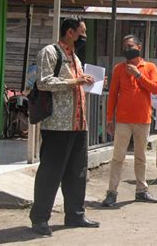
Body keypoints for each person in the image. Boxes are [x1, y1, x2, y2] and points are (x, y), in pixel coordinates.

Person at [29, 16, 99, 236]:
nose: (84, 37)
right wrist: (75, 82)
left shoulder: (75, 58)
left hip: (78, 125)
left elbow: (76, 87)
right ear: (70, 32)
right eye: (82, 32)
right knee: (50, 173)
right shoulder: (50, 52)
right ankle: (40, 219)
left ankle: (75, 215)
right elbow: (43, 82)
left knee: (76, 173)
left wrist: (89, 82)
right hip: (57, 125)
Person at [102, 35, 157, 207]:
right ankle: (112, 192)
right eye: (125, 46)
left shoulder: (150, 67)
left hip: (143, 119)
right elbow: (112, 94)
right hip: (123, 120)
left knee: (140, 157)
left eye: (130, 46)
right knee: (117, 157)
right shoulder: (119, 68)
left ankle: (141, 190)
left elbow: (156, 89)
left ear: (139, 47)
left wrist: (138, 75)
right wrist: (109, 118)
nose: (127, 49)